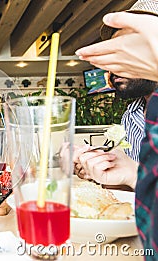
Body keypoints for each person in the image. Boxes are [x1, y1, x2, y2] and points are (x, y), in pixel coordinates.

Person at [75, 0, 158, 256]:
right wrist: (108, 174)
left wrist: (135, 174)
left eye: (129, 49)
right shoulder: (131, 115)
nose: (111, 68)